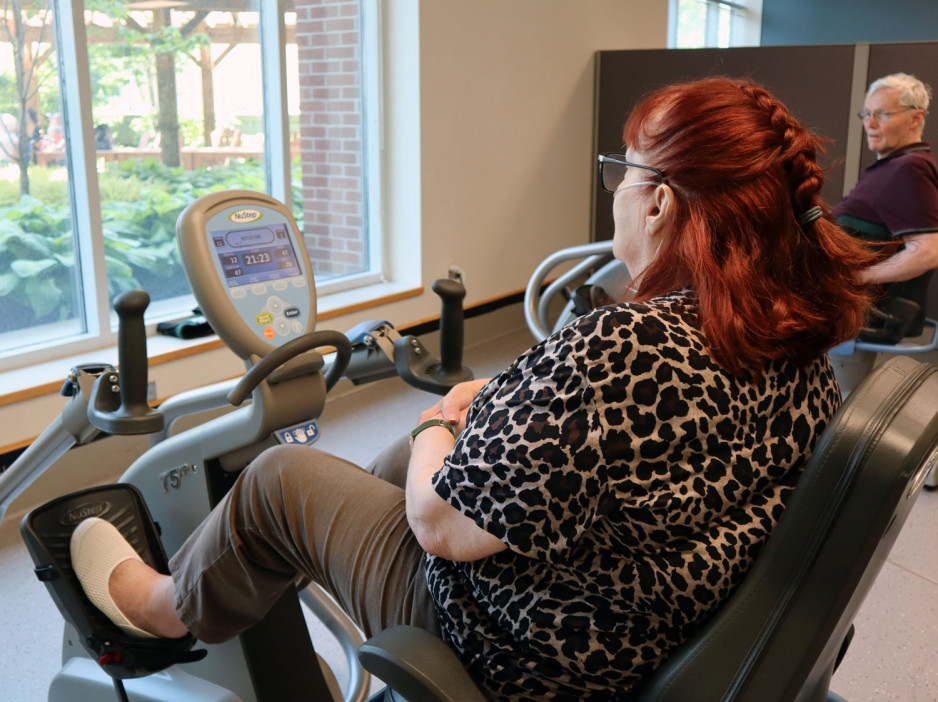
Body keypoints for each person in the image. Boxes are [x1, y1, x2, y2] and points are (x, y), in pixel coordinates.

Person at [69, 77, 875, 700]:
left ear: (661, 200)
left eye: (620, 174)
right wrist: (508, 406)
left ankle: (162, 609)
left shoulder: (624, 344)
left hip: (528, 652)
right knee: (394, 458)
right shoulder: (796, 340)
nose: (616, 192)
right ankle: (260, 569)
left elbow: (439, 525)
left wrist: (440, 421)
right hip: (663, 622)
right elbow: (641, 449)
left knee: (280, 479)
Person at [832, 72, 938, 339]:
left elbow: (928, 251)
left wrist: (856, 278)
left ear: (917, 118)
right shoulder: (891, 167)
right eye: (866, 114)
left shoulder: (910, 168)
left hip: (862, 323)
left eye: (883, 114)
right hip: (849, 318)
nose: (871, 124)